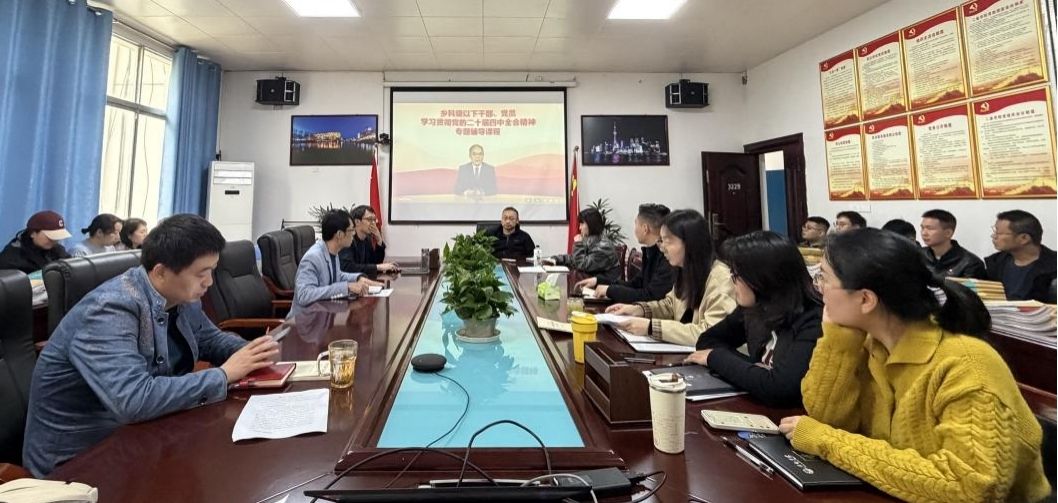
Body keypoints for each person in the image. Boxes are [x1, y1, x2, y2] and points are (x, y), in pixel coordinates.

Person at [777, 228, 1049, 503]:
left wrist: (827, 441)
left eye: (823, 277)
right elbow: (826, 419)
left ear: (865, 299)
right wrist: (839, 341)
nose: (817, 287)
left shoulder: (967, 365)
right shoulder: (868, 343)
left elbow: (969, 488)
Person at [22, 214, 280, 477]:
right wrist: (223, 375)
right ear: (161, 272)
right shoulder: (110, 310)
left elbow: (209, 339)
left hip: (143, 437)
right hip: (78, 462)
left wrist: (252, 351)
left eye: (212, 271)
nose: (210, 282)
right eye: (202, 273)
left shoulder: (180, 296)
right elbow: (134, 400)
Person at [683, 231, 822, 407]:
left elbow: (780, 389)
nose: (732, 282)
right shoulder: (755, 307)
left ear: (763, 278)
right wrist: (754, 370)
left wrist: (716, 358)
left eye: (736, 276)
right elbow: (707, 341)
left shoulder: (813, 320)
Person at [605, 209, 736, 347]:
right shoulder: (685, 270)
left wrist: (651, 328)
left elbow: (710, 334)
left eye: (667, 241)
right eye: (661, 241)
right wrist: (639, 310)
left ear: (690, 243)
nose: (662, 248)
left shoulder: (721, 279)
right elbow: (670, 305)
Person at [573, 203, 673, 303]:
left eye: (636, 224)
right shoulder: (651, 253)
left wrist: (609, 290)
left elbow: (650, 296)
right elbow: (635, 284)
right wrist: (598, 281)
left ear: (645, 228)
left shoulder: (667, 258)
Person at [293, 209, 383, 317]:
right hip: (304, 323)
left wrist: (359, 278)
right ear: (340, 234)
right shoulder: (313, 258)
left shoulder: (332, 251)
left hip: (323, 316)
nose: (354, 234)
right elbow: (304, 295)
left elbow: (337, 275)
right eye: (351, 230)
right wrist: (347, 287)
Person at [985, 210, 1057, 303]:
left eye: (999, 233)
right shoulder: (996, 263)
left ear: (1024, 238)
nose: (994, 236)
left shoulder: (1053, 266)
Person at [546, 207, 621, 282]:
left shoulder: (604, 247)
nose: (579, 228)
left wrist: (578, 244)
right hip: (591, 283)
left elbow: (582, 265)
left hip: (604, 288)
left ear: (591, 224)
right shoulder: (592, 240)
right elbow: (574, 259)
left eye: (582, 224)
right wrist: (555, 259)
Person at [920, 209, 985, 279]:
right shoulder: (917, 255)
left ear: (948, 233)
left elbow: (967, 289)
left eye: (930, 228)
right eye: (922, 228)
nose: (924, 233)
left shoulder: (970, 263)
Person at [0, 210, 71, 273]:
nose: (54, 241)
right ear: (32, 233)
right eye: (50, 237)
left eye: (57, 237)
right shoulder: (12, 258)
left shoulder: (57, 249)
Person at [338, 205, 397, 275]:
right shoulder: (348, 240)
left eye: (374, 220)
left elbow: (374, 262)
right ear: (357, 222)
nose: (373, 223)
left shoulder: (367, 239)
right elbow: (347, 267)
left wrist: (379, 240)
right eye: (369, 219)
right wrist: (378, 267)